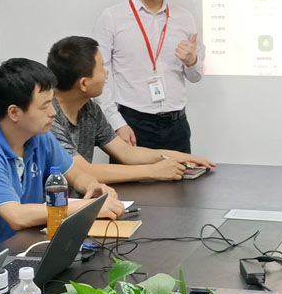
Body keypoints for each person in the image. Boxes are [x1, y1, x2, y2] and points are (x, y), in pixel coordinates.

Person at [0, 59, 124, 262]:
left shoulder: (39, 136)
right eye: (45, 106)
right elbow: (16, 216)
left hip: (27, 248)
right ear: (14, 112)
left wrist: (93, 187)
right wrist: (88, 208)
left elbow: (76, 175)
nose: (53, 113)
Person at [46, 36, 214, 185]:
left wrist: (181, 157)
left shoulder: (90, 109)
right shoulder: (48, 117)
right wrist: (153, 171)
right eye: (101, 68)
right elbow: (82, 171)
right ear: (84, 83)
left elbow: (127, 153)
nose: (106, 74)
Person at [92, 0, 204, 153]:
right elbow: (98, 75)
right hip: (131, 124)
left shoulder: (184, 18)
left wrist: (192, 61)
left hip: (177, 126)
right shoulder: (112, 17)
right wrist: (116, 123)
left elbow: (195, 76)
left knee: (182, 177)